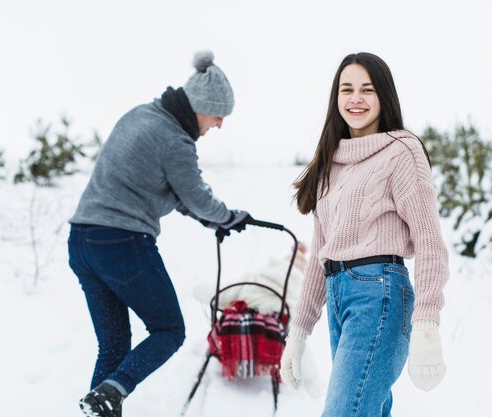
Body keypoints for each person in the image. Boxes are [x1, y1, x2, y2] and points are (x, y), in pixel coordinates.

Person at [67, 50, 252, 417]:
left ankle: (102, 404)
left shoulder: (141, 115)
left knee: (114, 347)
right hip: (121, 243)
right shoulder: (174, 140)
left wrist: (209, 219)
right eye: (219, 116)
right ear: (201, 106)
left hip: (82, 242)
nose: (219, 125)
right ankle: (111, 394)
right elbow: (196, 195)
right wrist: (227, 217)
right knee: (168, 330)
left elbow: (165, 189)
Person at [280, 52, 450, 417]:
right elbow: (321, 255)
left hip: (379, 293)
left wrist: (426, 323)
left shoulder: (402, 151)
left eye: (367, 89)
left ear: (383, 96)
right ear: (336, 98)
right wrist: (298, 332)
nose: (355, 98)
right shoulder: (330, 160)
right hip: (339, 295)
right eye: (347, 89)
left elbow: (430, 243)